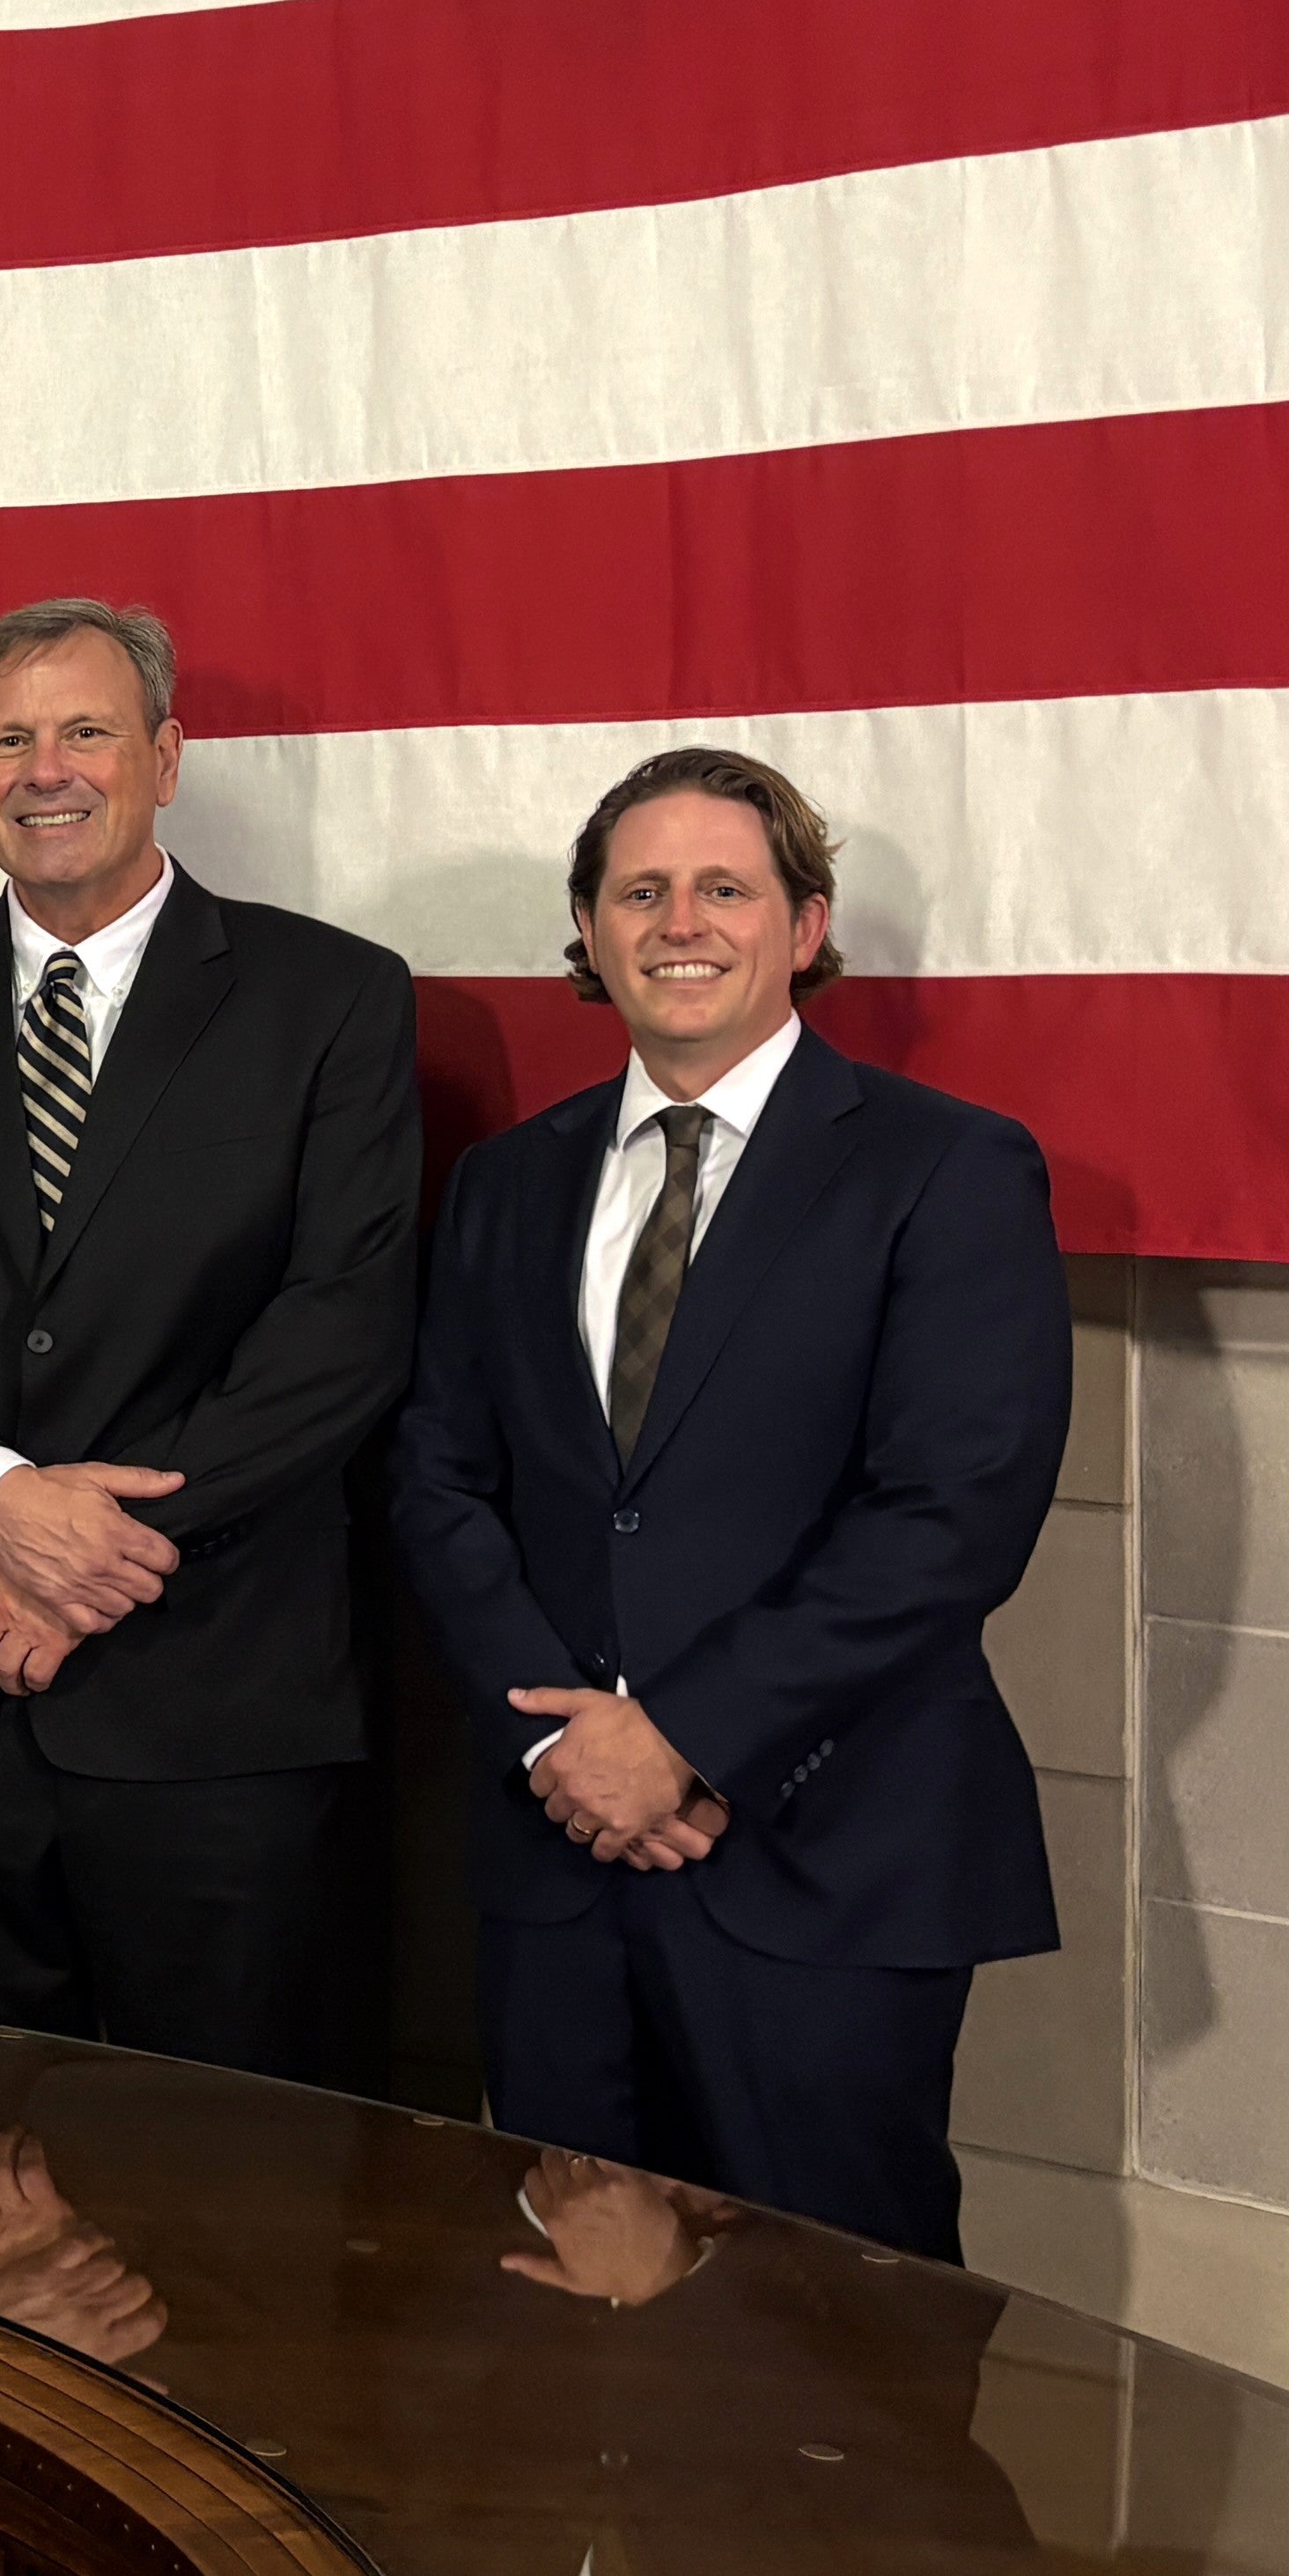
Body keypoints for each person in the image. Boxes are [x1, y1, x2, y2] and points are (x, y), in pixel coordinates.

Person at [391, 748, 1067, 2262]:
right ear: (588, 928)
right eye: (639, 890)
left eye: (724, 887)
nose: (678, 921)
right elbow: (439, 1475)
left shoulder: (945, 1168)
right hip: (558, 1861)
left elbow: (952, 1515)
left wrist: (684, 1737)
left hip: (823, 1855)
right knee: (576, 2360)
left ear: (805, 926)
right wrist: (568, 1745)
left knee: (840, 2358)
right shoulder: (507, 1183)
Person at [0, 600, 419, 2078]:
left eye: (85, 732)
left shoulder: (330, 999)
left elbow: (342, 1330)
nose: (43, 769)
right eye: (6, 738)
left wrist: (84, 1566)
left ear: (167, 756)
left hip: (211, 1705)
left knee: (224, 2200)